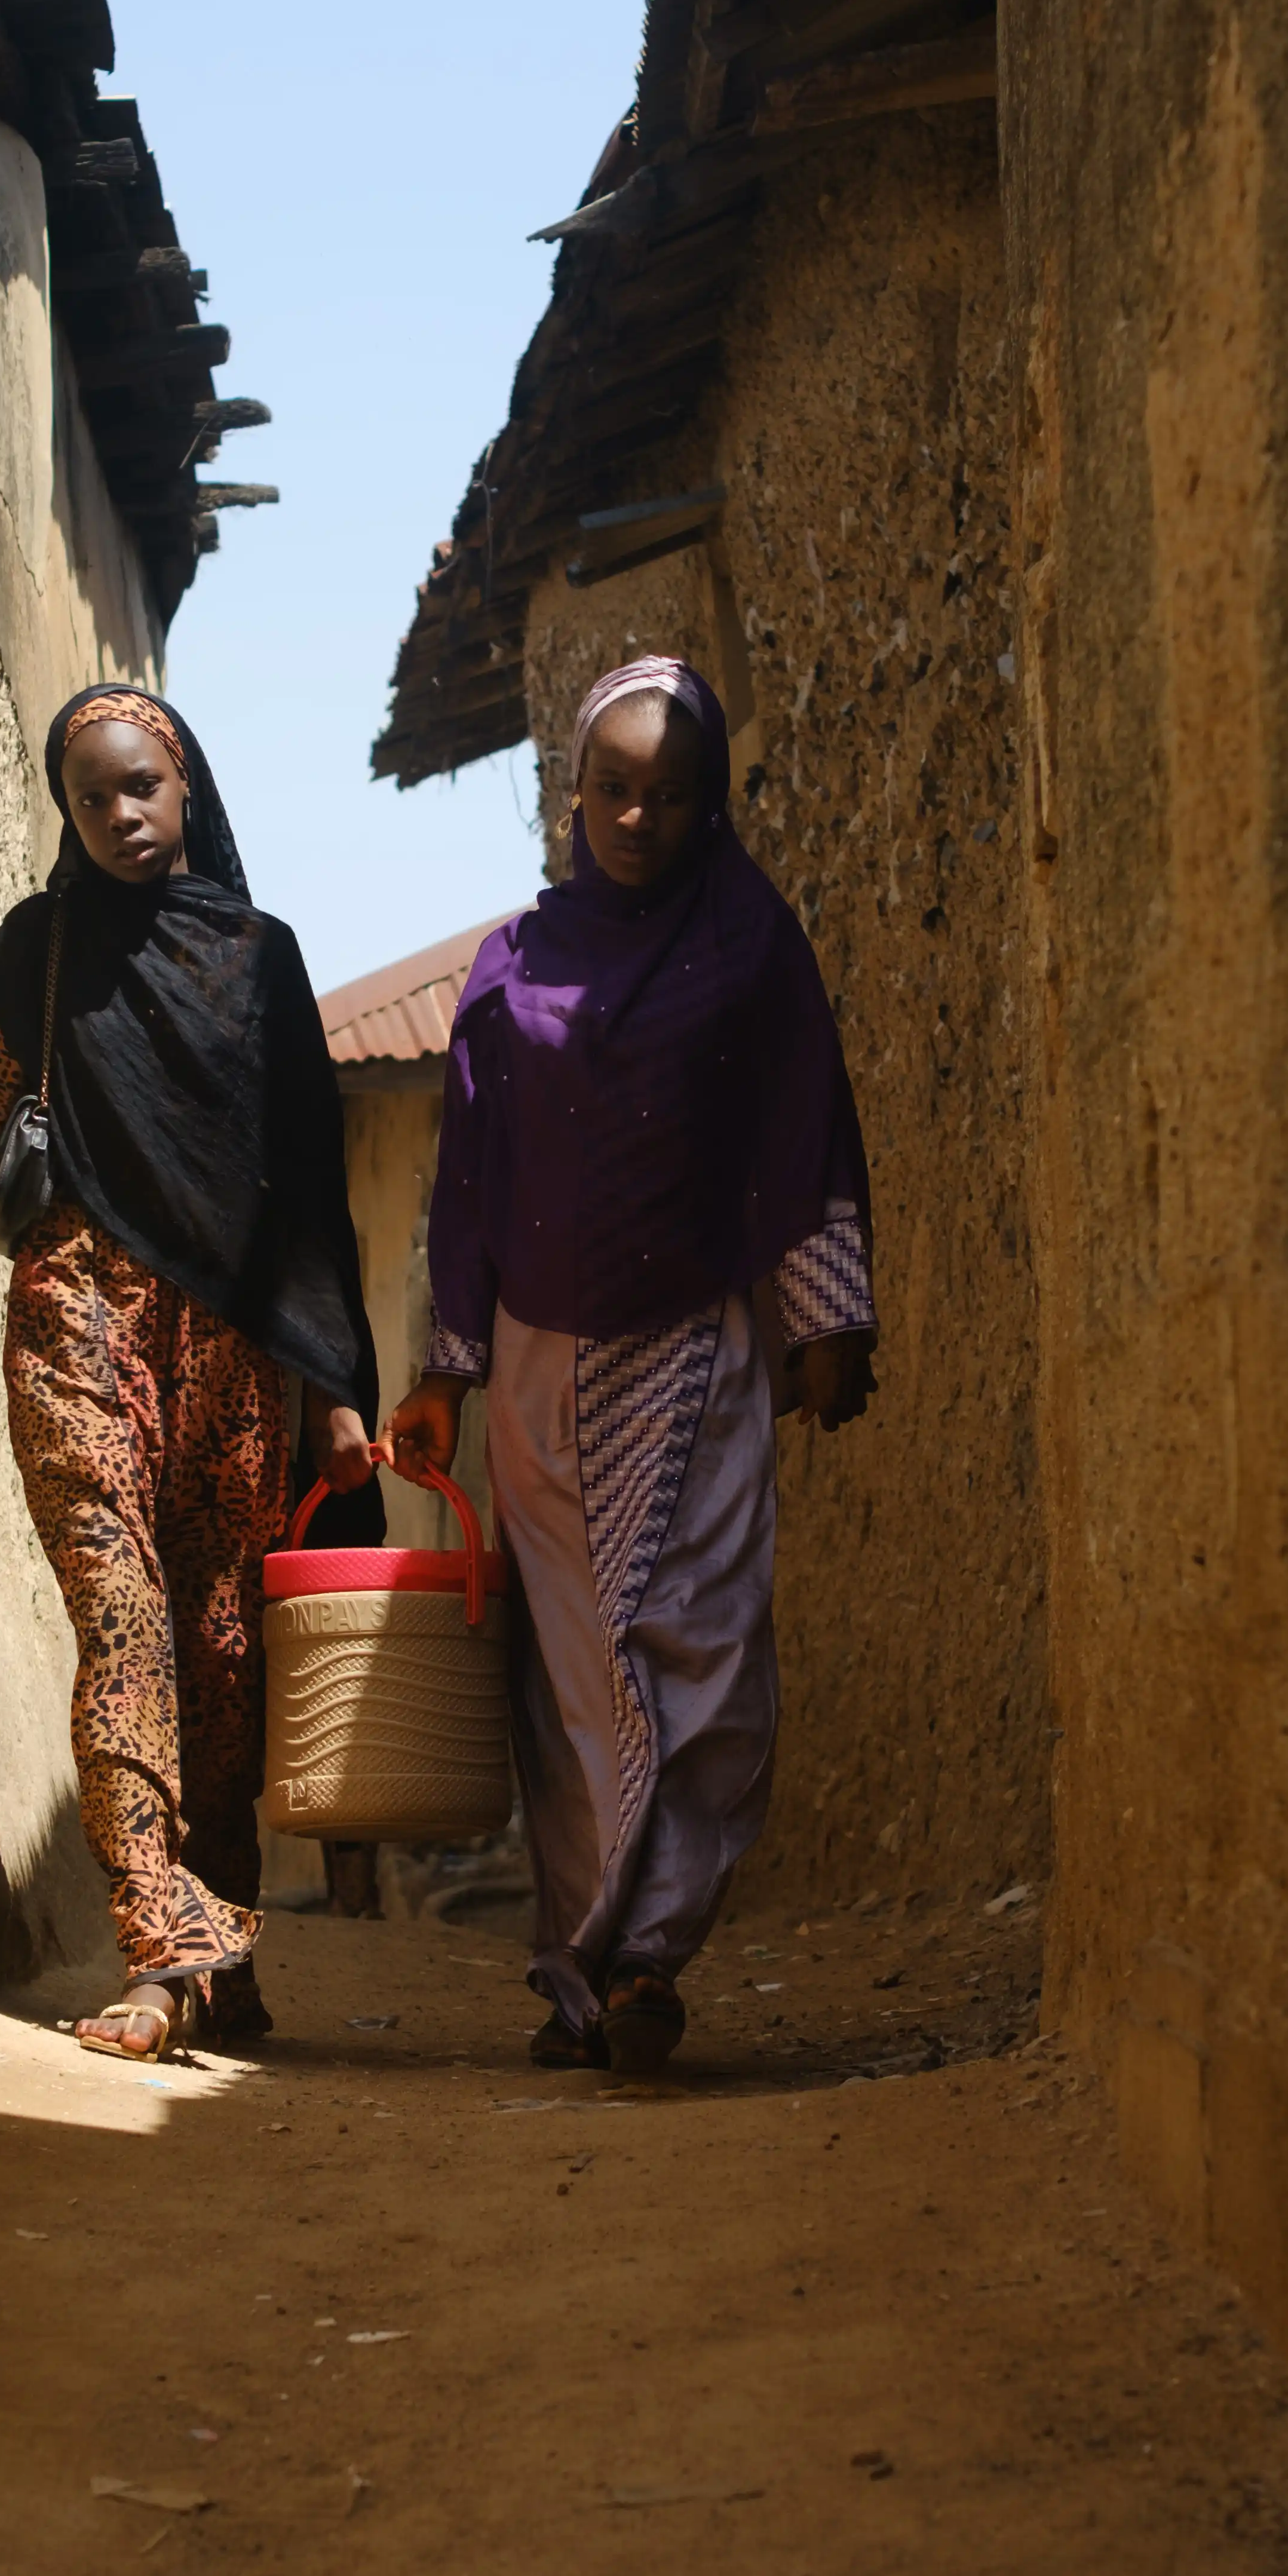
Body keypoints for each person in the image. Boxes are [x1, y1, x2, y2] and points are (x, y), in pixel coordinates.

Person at [384, 655, 875, 2078]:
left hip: (700, 1344)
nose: (638, 817)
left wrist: (825, 1318)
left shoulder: (753, 943)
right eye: (612, 788)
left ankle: (654, 1954)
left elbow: (805, 1128)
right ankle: (583, 1970)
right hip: (540, 1355)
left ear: (709, 796)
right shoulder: (514, 968)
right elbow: (466, 1177)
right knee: (578, 1673)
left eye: (670, 792)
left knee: (705, 1646)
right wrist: (447, 1370)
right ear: (571, 795)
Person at [0, 683, 380, 2060]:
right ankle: (161, 1954)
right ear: (68, 813)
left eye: (141, 789)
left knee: (222, 1657)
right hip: (76, 1315)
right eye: (92, 797)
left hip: (231, 1350)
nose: (120, 815)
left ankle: (224, 1944)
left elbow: (309, 1186)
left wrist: (337, 1383)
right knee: (121, 1616)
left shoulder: (259, 959)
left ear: (187, 790)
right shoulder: (37, 955)